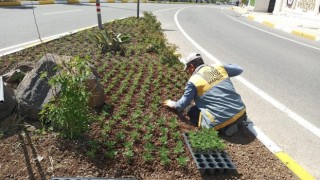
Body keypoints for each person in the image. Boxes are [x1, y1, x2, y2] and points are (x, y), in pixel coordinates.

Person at [162, 53, 247, 136]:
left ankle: (224, 128)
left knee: (191, 111)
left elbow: (182, 105)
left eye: (188, 69)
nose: (188, 72)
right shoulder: (218, 68)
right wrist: (221, 66)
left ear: (191, 66)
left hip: (221, 120)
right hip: (241, 112)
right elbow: (239, 69)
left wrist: (172, 104)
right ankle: (237, 121)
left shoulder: (193, 81)